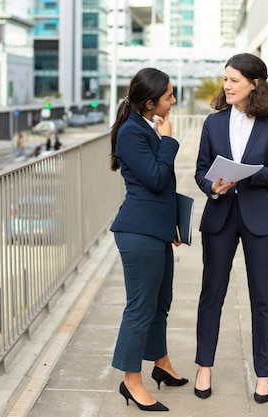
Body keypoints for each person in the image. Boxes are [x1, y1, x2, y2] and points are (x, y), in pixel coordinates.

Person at [193, 53, 268, 404]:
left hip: (261, 220)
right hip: (220, 215)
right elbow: (201, 169)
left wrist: (248, 170)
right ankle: (204, 367)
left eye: (234, 79)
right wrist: (213, 186)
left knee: (263, 300)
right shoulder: (213, 123)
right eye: (226, 79)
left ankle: (263, 375)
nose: (227, 86)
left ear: (255, 83)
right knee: (211, 294)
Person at [109, 67, 187, 412]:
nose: (174, 101)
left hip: (155, 230)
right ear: (150, 101)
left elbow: (160, 185)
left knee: (160, 302)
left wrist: (171, 226)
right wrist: (168, 140)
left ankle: (162, 362)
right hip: (138, 232)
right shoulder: (131, 132)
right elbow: (156, 179)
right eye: (170, 96)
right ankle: (131, 381)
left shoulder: (144, 126)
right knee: (140, 308)